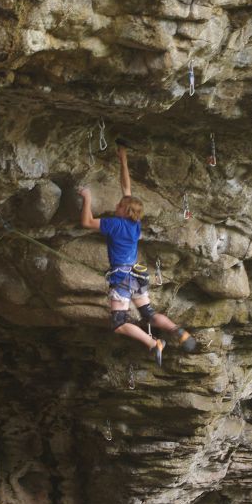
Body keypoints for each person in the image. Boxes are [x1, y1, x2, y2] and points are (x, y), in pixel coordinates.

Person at [77, 144, 193, 366]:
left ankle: (153, 344)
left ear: (124, 210)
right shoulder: (134, 224)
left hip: (122, 278)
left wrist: (87, 197)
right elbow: (126, 189)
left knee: (119, 323)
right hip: (137, 276)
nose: (117, 204)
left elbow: (86, 222)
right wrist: (123, 160)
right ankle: (176, 330)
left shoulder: (115, 224)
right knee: (148, 313)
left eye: (119, 204)